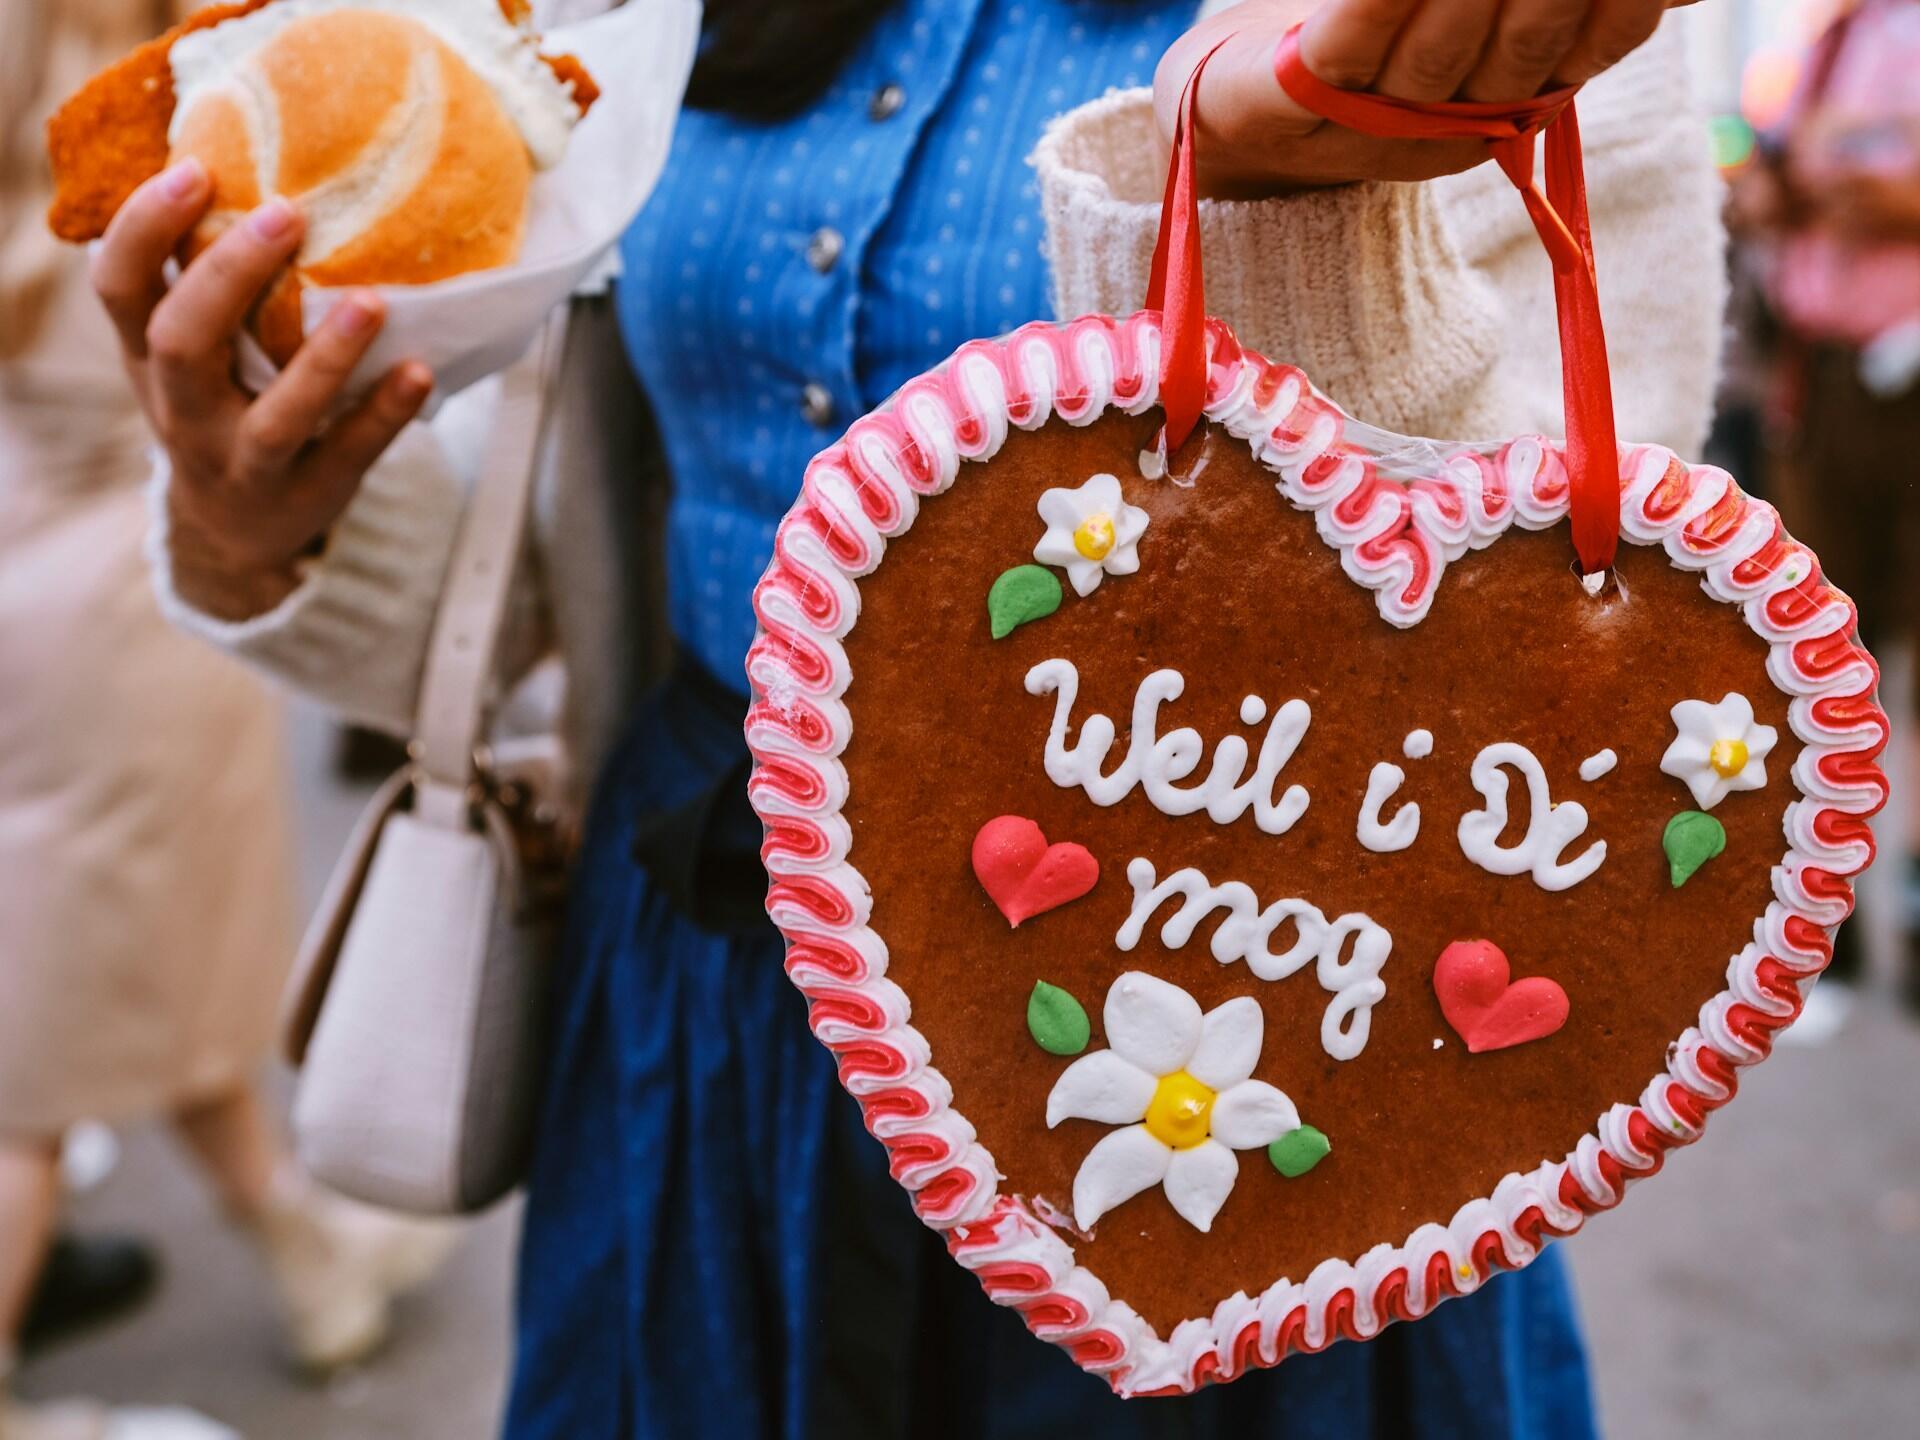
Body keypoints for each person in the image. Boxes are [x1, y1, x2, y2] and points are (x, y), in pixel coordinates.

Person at [92, 0, 1727, 1434]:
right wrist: (271, 519)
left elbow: (1563, 665)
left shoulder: (1494, 23)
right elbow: (553, 559)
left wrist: (1296, 223)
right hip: (714, 1006)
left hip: (1232, 1062)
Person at [0, 3, 455, 1435]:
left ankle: (307, 1257)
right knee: (34, 1059)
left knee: (141, 956)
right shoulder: (203, 103)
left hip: (20, 552)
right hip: (138, 584)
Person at [1740, 0, 1920, 994]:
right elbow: (1778, 184)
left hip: (1912, 376)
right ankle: (1825, 921)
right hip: (1824, 379)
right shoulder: (1833, 41)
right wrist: (1777, 192)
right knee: (1820, 660)